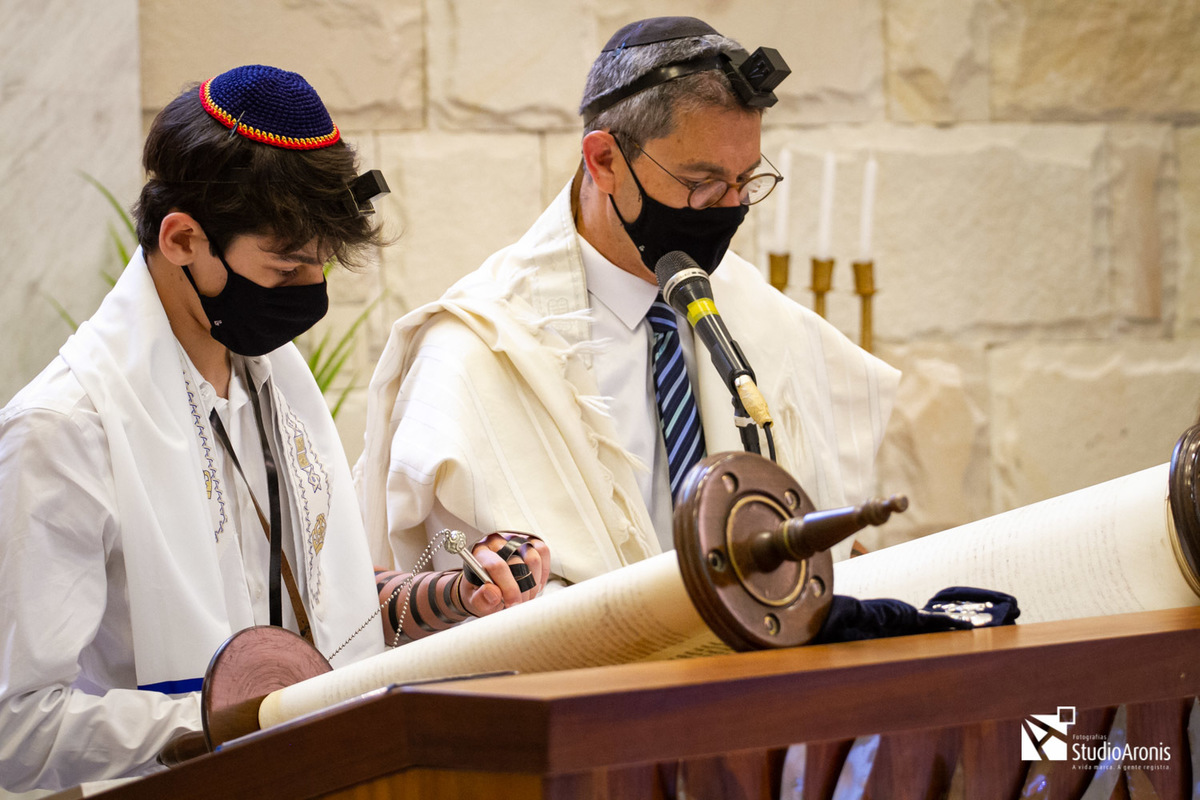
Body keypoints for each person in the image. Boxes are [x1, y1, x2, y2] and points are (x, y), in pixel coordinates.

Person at [0, 65, 547, 792]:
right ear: (182, 239)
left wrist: (448, 586)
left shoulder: (277, 382)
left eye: (319, 270)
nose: (306, 297)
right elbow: (18, 725)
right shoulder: (64, 429)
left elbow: (320, 611)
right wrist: (238, 720)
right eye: (285, 269)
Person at [356, 17, 900, 587]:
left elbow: (830, 532)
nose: (728, 208)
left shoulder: (760, 315)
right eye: (702, 181)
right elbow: (447, 588)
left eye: (745, 181)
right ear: (605, 161)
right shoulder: (476, 351)